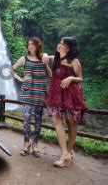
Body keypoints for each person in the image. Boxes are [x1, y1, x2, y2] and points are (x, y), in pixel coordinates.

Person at [43, 37, 87, 167]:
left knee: (71, 122)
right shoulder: (57, 58)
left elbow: (80, 78)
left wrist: (72, 77)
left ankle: (69, 152)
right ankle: (64, 154)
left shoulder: (74, 61)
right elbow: (44, 55)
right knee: (56, 120)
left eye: (61, 43)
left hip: (70, 94)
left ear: (67, 47)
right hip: (56, 93)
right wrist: (45, 55)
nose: (59, 44)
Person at [11, 37, 52, 157]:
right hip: (27, 91)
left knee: (38, 119)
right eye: (28, 44)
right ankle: (25, 143)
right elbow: (12, 69)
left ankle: (35, 144)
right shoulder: (24, 59)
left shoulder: (43, 58)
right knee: (27, 117)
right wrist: (21, 79)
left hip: (39, 91)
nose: (30, 46)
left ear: (37, 46)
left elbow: (50, 74)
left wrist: (46, 64)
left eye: (32, 44)